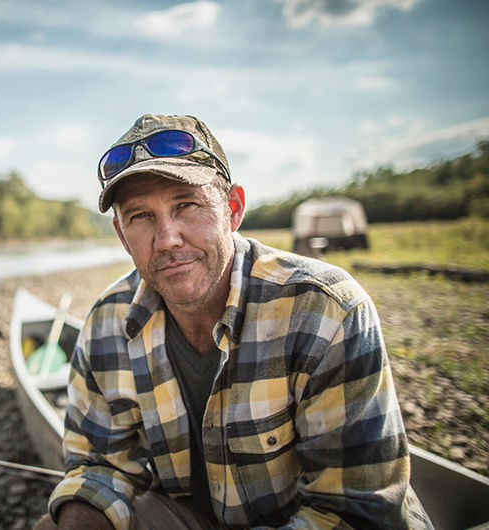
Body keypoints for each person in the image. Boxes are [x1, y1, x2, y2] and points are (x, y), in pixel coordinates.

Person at [34, 114, 431, 529]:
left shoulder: (325, 310)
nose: (167, 238)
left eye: (186, 205)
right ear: (121, 234)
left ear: (233, 209)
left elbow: (357, 511)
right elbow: (99, 466)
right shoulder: (105, 324)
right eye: (141, 216)